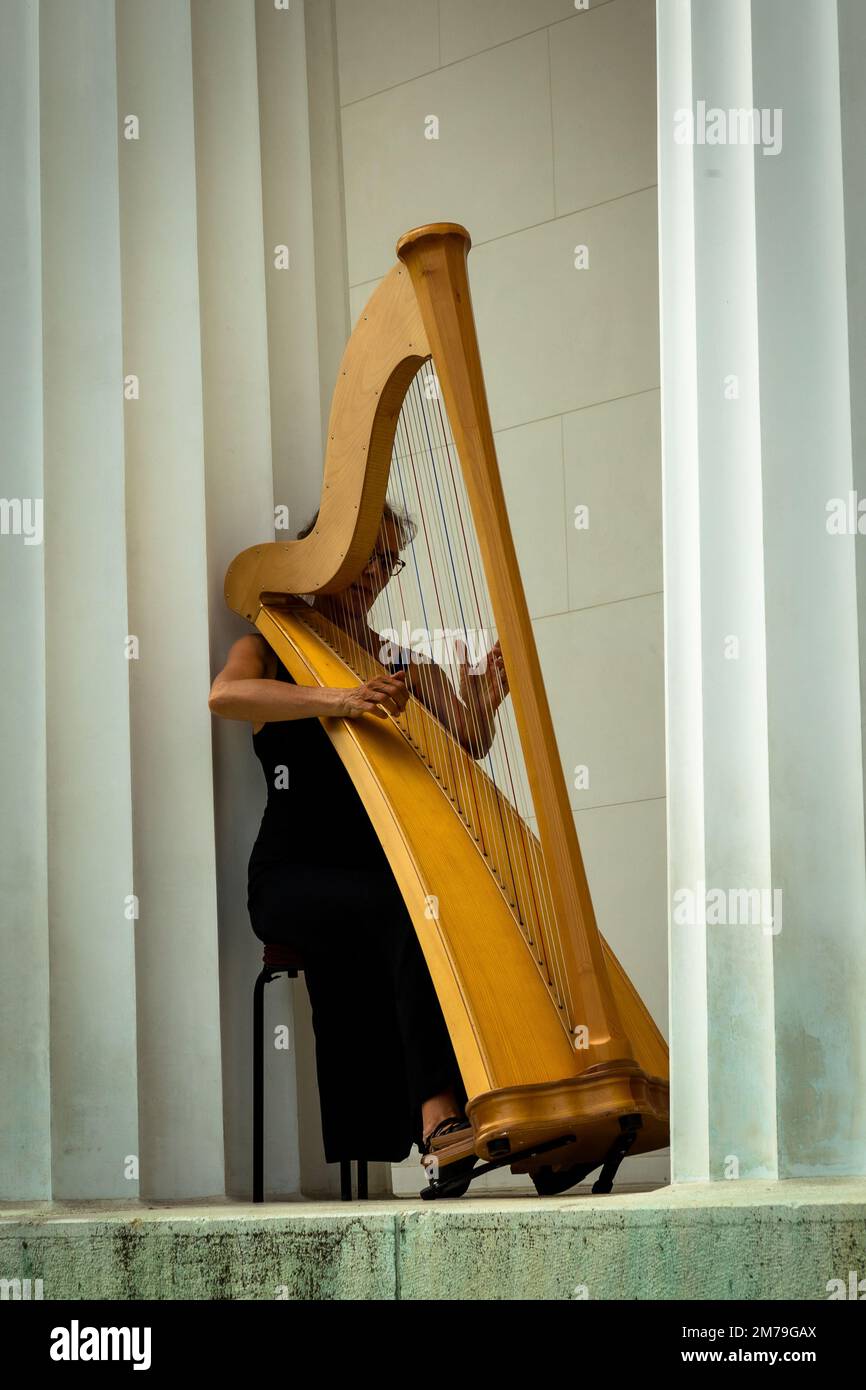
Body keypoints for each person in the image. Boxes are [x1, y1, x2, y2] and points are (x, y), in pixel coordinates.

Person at [208, 503, 509, 1173]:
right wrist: (338, 700)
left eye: (388, 561)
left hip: (375, 875)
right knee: (403, 906)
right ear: (327, 557)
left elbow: (466, 741)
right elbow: (225, 696)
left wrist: (484, 706)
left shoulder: (401, 664)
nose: (377, 574)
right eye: (367, 557)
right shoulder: (270, 647)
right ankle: (438, 1116)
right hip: (290, 878)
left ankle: (507, 1104)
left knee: (442, 904)